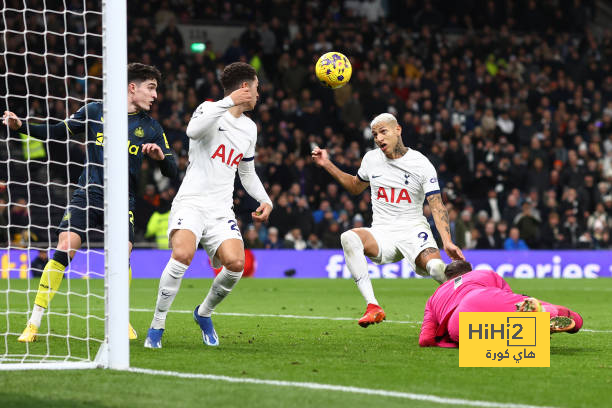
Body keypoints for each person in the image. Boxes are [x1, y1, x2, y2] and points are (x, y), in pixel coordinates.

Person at [3, 63, 177, 342]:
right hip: (88, 193)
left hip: (122, 200)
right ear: (132, 87)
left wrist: (160, 158)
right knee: (65, 246)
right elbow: (59, 131)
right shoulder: (96, 111)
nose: (156, 95)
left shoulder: (151, 127)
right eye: (151, 87)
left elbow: (173, 170)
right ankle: (33, 324)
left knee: (122, 254)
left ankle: (120, 319)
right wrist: (22, 126)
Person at [144, 62, 272, 349]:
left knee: (236, 264)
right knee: (183, 255)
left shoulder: (250, 128)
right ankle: (157, 325)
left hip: (220, 209)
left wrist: (265, 199)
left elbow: (247, 172)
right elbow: (192, 131)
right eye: (256, 88)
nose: (258, 94)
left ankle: (204, 313)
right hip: (191, 201)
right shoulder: (208, 109)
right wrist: (228, 102)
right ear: (244, 88)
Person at [312, 113, 464, 327]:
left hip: (413, 229)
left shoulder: (420, 163)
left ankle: (470, 303)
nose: (379, 138)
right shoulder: (371, 159)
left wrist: (447, 241)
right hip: (383, 233)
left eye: (383, 132)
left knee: (437, 268)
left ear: (398, 130)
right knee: (348, 237)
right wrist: (327, 164)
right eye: (375, 135)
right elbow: (355, 186)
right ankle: (373, 306)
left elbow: (437, 204)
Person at [419, 260, 583, 347]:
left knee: (490, 335)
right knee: (523, 309)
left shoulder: (434, 296)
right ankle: (552, 314)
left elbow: (425, 339)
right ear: (469, 271)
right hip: (483, 296)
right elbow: (508, 296)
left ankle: (528, 333)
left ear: (447, 278)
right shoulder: (482, 273)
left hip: (457, 324)